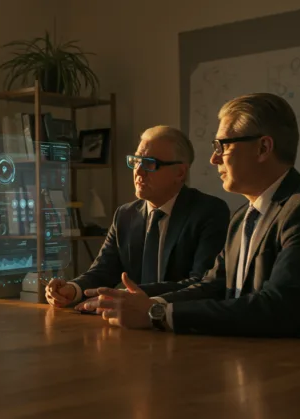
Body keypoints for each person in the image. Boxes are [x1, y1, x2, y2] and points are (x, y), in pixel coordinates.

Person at [84, 93, 300, 344]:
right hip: (250, 357)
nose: (214, 159)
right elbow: (213, 286)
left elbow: (278, 308)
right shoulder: (243, 216)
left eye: (222, 145)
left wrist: (156, 314)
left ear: (263, 148)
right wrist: (149, 303)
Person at [46, 126, 230, 308]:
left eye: (149, 163)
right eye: (136, 161)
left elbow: (202, 283)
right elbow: (103, 270)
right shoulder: (125, 214)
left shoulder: (209, 212)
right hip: (131, 321)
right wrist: (73, 289)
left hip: (181, 319)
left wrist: (129, 297)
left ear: (180, 173)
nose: (139, 171)